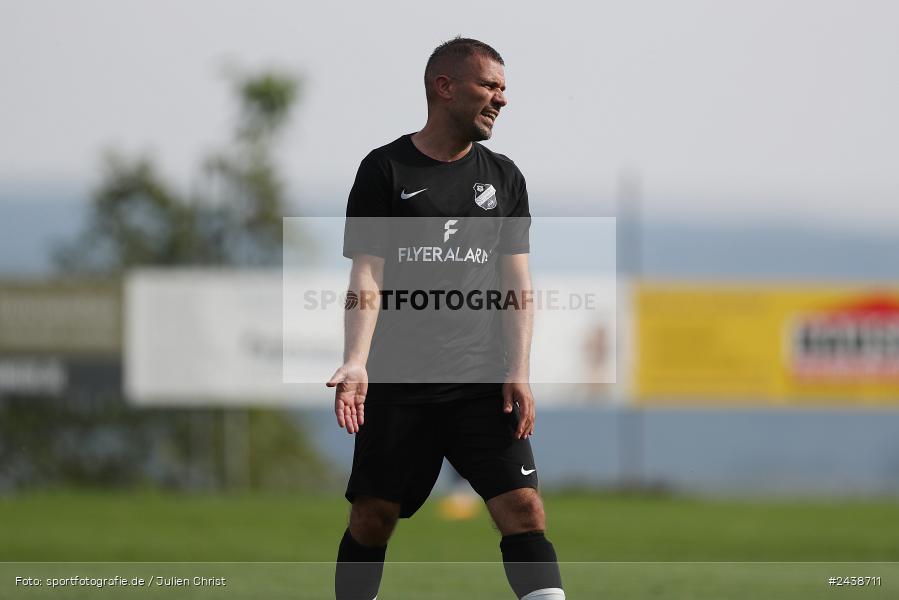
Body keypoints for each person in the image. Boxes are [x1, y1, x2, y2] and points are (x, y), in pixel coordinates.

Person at [327, 37, 565, 600]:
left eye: (504, 88)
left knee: (524, 510)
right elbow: (367, 276)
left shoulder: (504, 177)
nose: (501, 99)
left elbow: (517, 283)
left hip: (481, 381)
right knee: (372, 519)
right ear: (445, 87)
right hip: (399, 383)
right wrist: (356, 361)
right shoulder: (385, 169)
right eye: (490, 86)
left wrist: (519, 370)